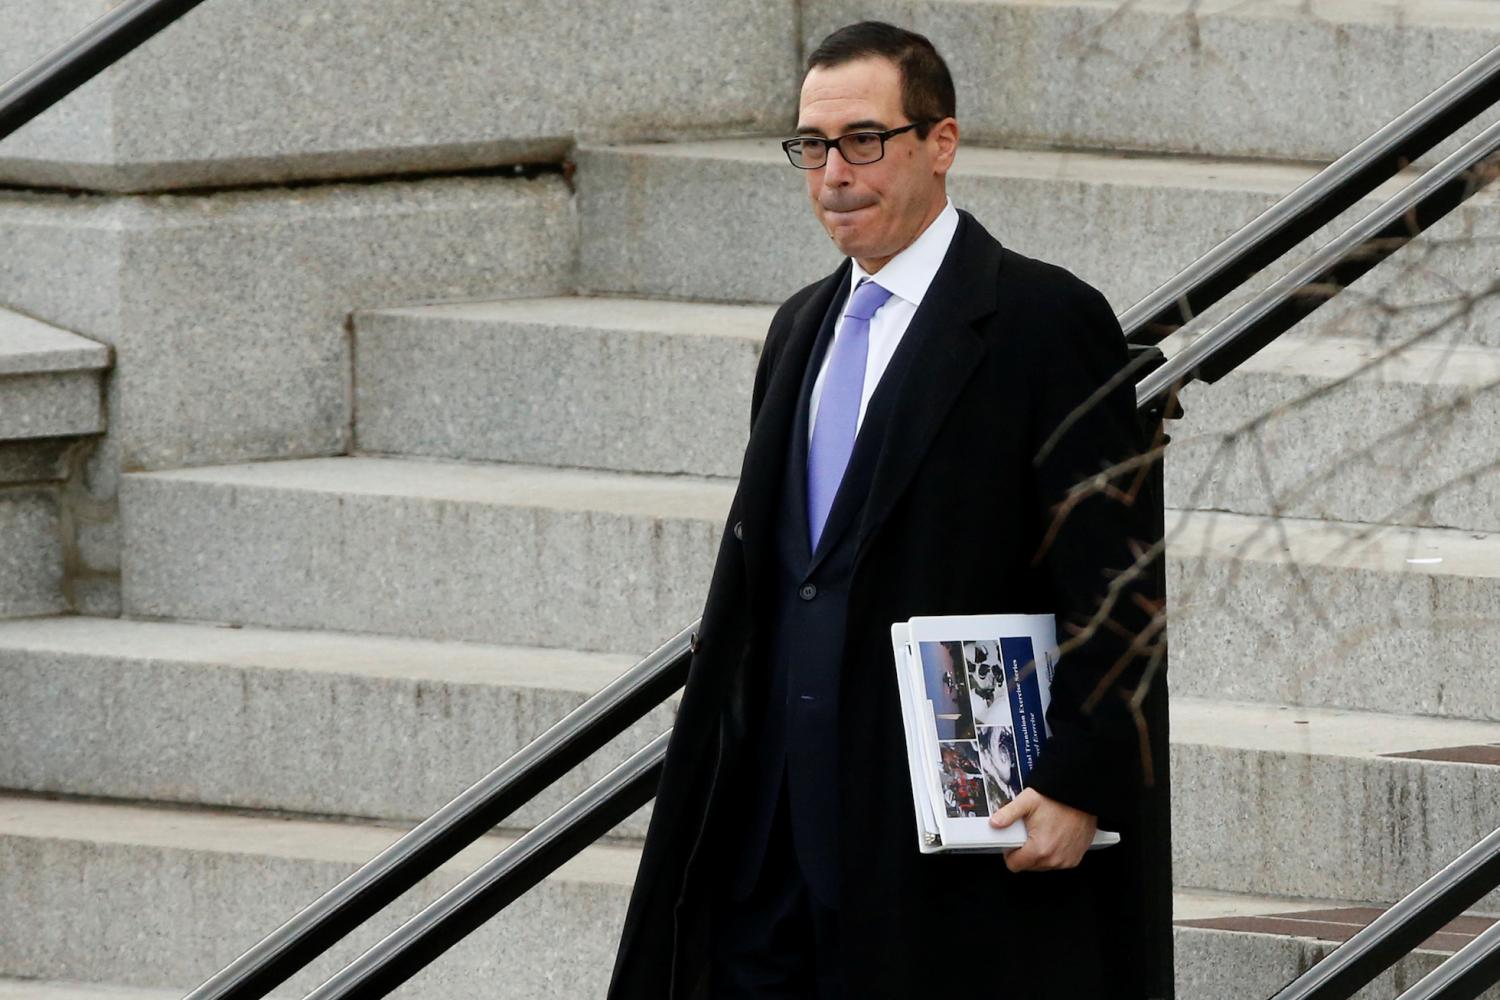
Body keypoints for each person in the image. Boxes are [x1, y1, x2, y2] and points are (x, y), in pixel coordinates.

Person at [607, 20, 1171, 1000]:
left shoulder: (1042, 320)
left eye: (864, 139)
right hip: (775, 831)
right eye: (812, 146)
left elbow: (1117, 581)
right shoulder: (798, 327)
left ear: (939, 143)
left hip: (942, 843)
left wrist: (1081, 777)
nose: (834, 172)